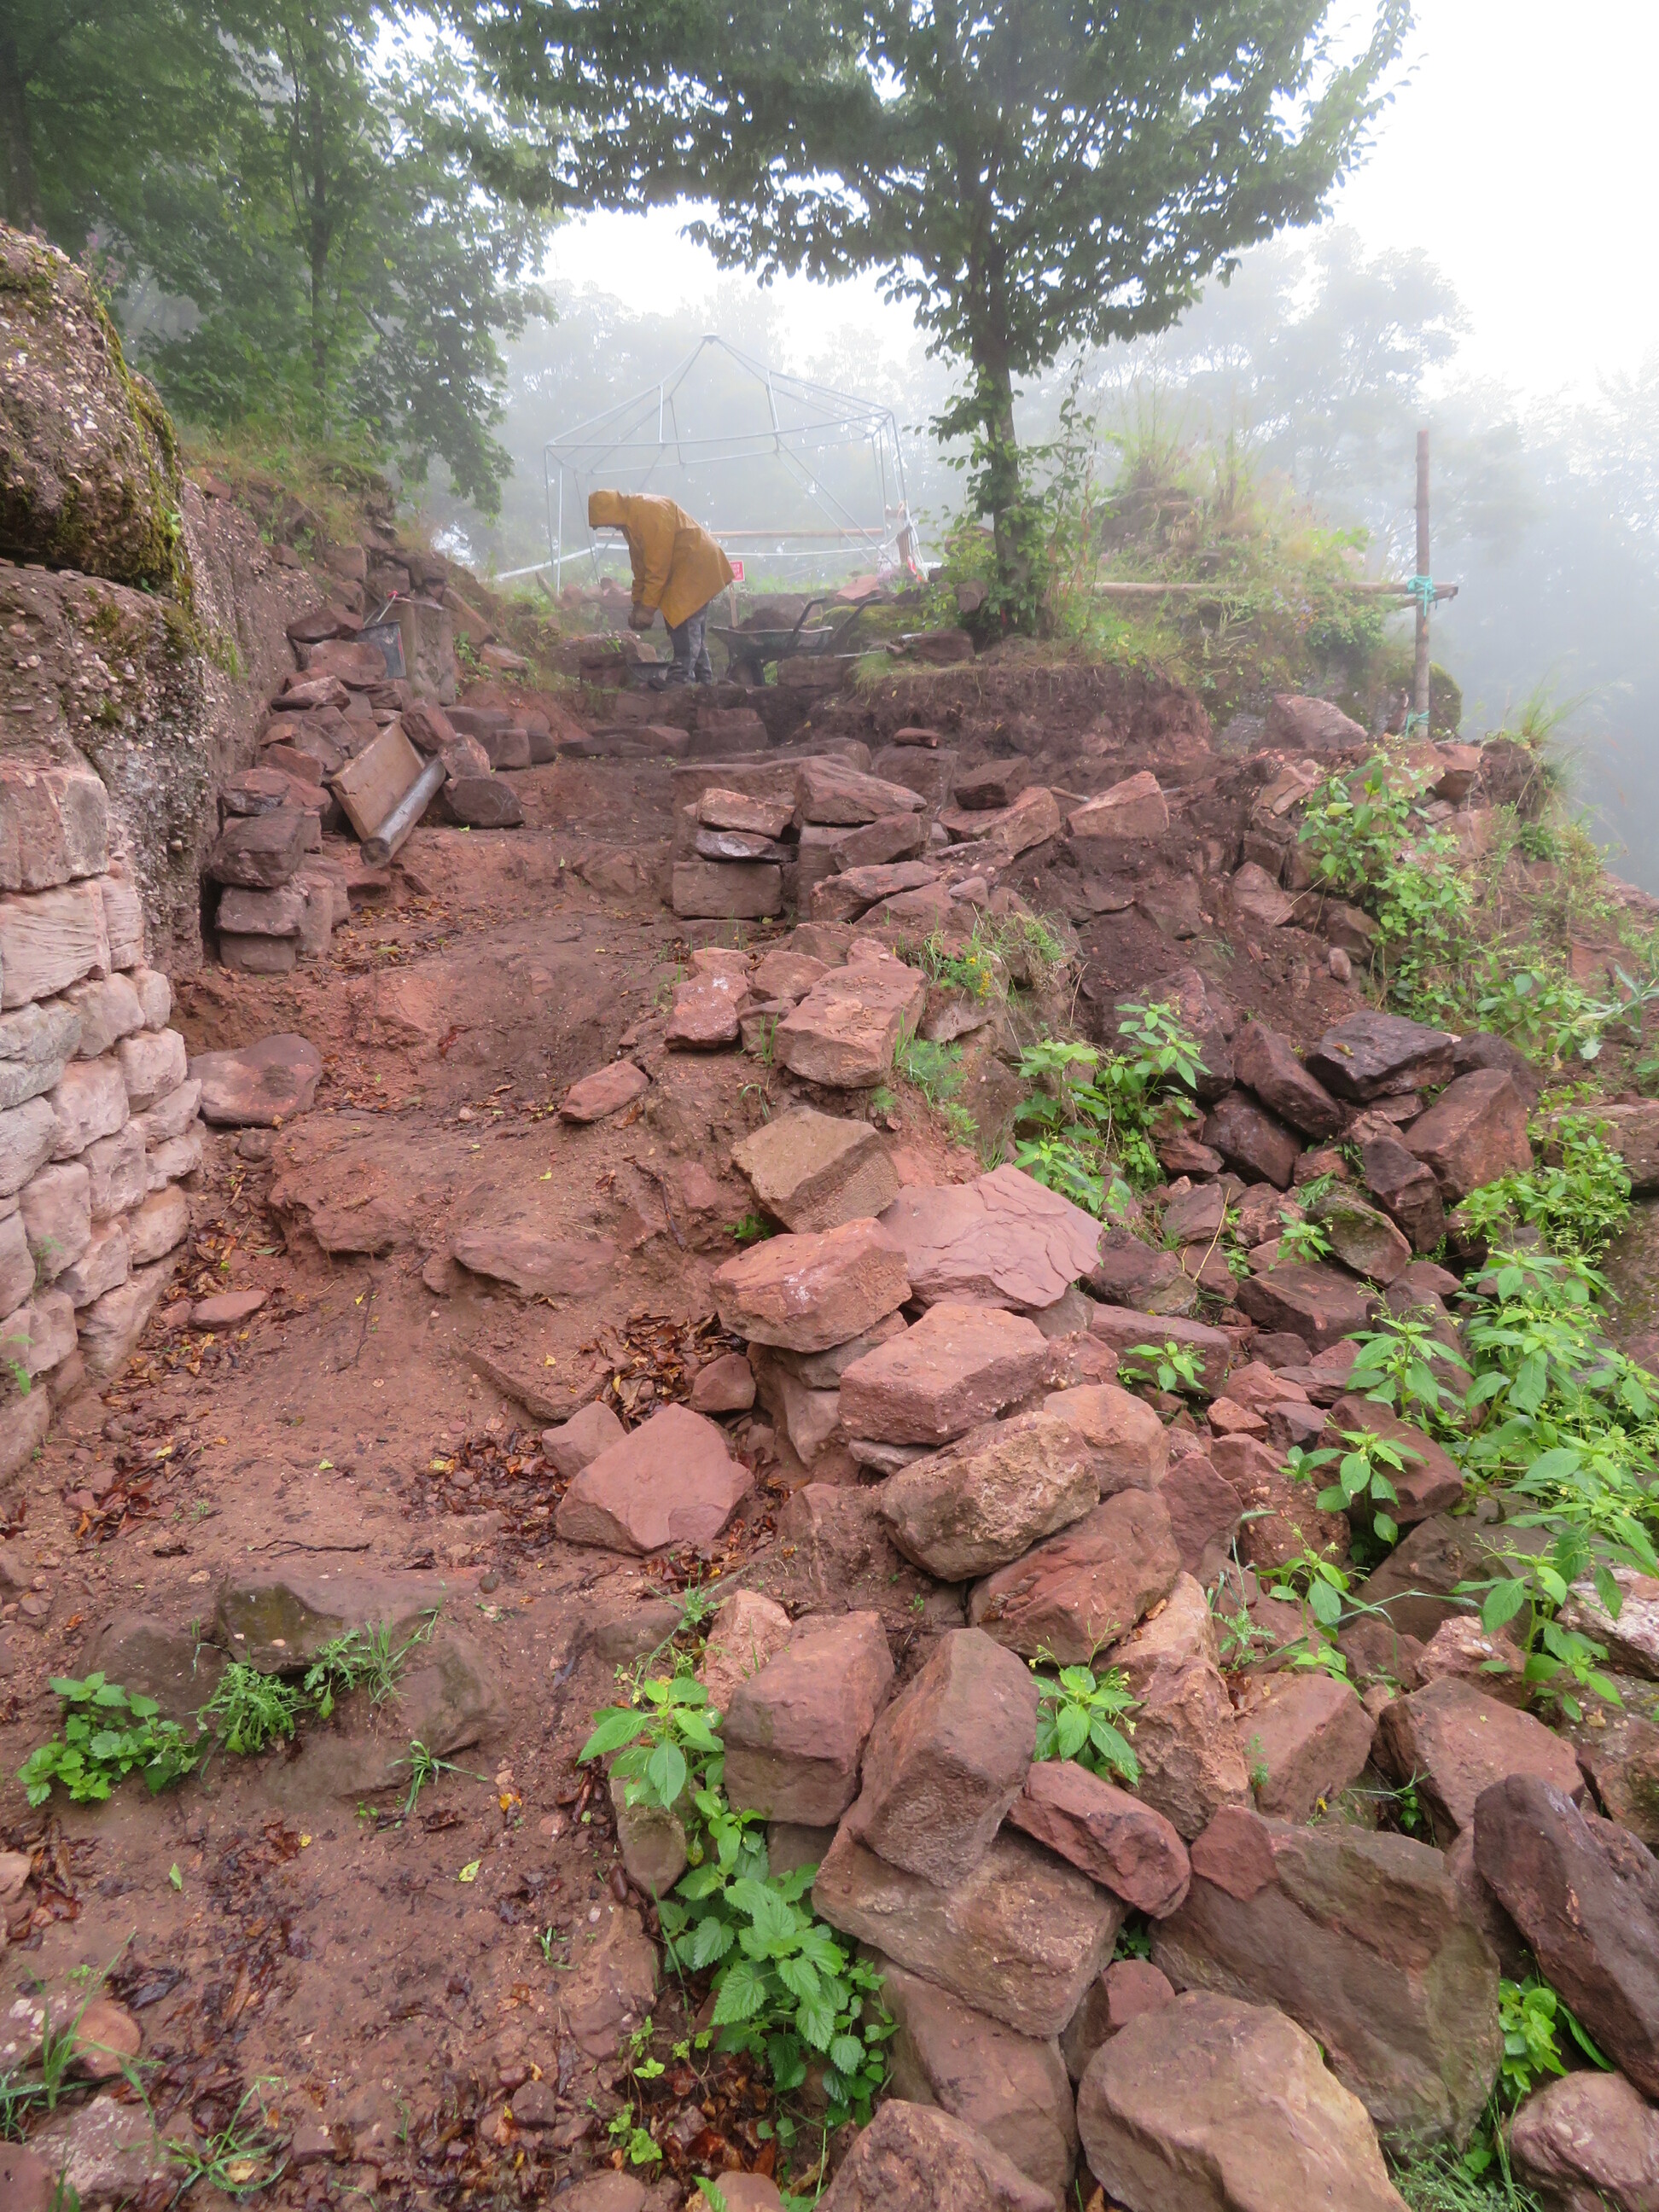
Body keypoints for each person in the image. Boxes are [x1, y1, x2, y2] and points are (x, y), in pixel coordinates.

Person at [586, 490, 735, 688]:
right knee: (689, 627)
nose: (610, 527)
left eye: (607, 523)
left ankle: (681, 679)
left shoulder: (649, 512)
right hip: (688, 566)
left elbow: (657, 568)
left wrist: (647, 610)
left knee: (682, 619)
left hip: (696, 564)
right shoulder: (632, 521)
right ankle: (703, 681)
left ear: (611, 511)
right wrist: (637, 604)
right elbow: (641, 567)